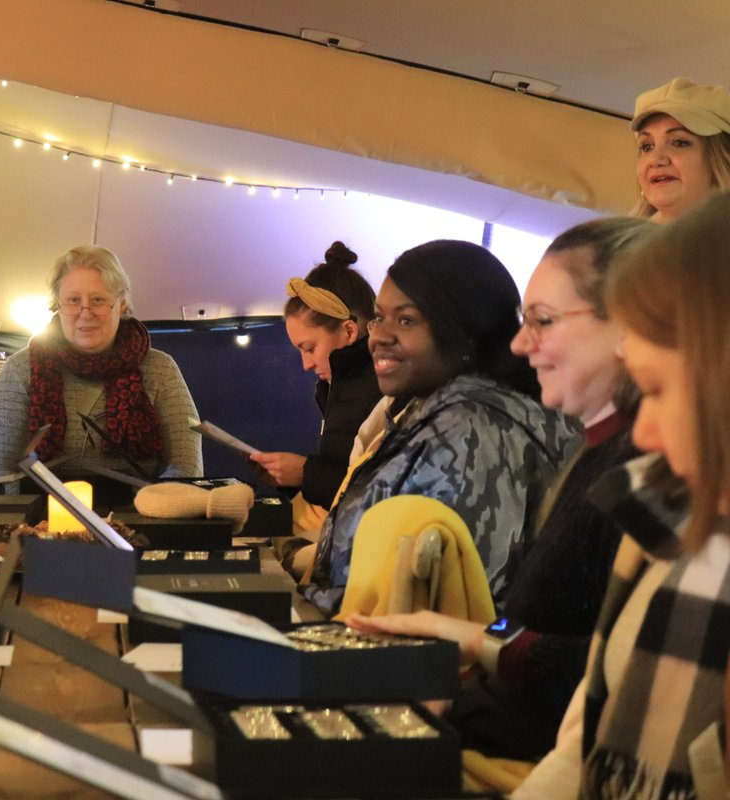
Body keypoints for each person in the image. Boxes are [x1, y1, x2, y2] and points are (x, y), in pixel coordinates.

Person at [347, 217, 653, 762]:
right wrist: (471, 635)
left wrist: (476, 641)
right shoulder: (599, 452)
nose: (518, 342)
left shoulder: (645, 471)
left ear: (631, 326)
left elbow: (633, 675)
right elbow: (558, 626)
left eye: (542, 320)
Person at [514, 191, 730, 799]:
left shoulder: (662, 521)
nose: (646, 435)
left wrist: (485, 646)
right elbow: (587, 750)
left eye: (658, 390)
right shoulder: (671, 544)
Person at [304, 240, 576, 615]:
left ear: (464, 331)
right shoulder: (427, 409)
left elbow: (437, 610)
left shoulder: (476, 434)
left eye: (406, 320)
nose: (379, 336)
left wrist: (310, 597)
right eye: (379, 317)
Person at [0, 245, 202, 480]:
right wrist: (33, 509)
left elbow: (186, 466)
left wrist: (152, 508)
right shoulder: (20, 370)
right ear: (58, 305)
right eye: (73, 300)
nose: (85, 312)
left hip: (142, 514)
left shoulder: (159, 369)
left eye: (98, 300)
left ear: (121, 304)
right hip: (40, 515)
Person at [248, 241, 382, 507]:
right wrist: (293, 478)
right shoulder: (337, 389)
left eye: (309, 349)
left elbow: (381, 492)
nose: (305, 365)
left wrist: (305, 473)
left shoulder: (384, 390)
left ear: (349, 332)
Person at [631, 77, 730, 222]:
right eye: (647, 147)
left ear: (721, 159)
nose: (655, 159)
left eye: (679, 143)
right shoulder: (615, 243)